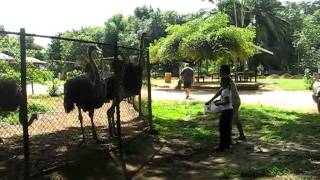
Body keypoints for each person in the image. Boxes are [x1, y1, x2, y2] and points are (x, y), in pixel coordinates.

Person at [210, 65, 246, 140]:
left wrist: (212, 100)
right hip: (234, 101)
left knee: (229, 121)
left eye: (220, 70)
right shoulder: (226, 79)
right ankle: (240, 135)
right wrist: (214, 100)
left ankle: (228, 139)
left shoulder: (226, 80)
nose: (219, 71)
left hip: (233, 102)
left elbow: (220, 92)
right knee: (235, 119)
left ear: (224, 71)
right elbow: (222, 92)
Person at [206, 76, 233, 151]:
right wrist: (217, 101)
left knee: (222, 129)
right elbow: (224, 99)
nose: (220, 83)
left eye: (221, 82)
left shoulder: (225, 91)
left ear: (225, 83)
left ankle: (221, 146)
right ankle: (227, 145)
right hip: (229, 111)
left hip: (226, 111)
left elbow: (226, 101)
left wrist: (218, 103)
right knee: (227, 129)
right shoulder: (227, 90)